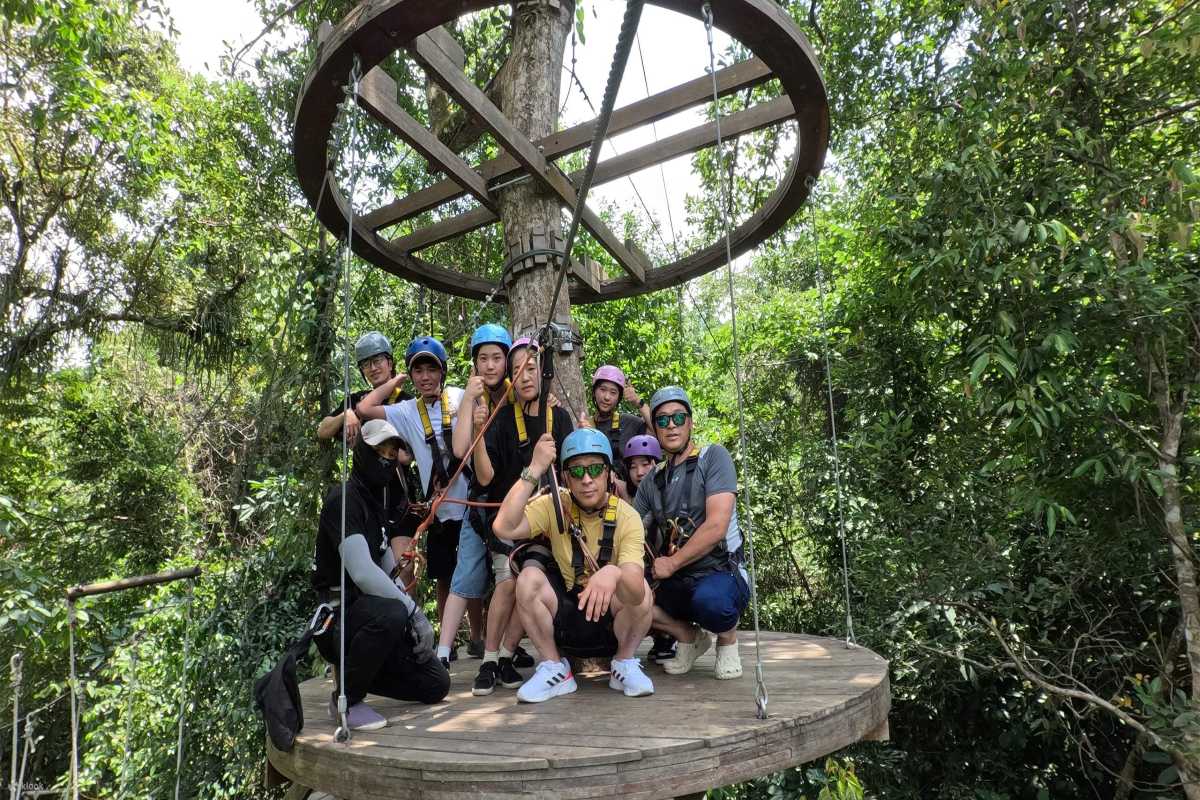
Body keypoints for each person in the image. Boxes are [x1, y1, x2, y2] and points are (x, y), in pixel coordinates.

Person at [494, 428, 655, 703]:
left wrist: (612, 572)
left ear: (608, 473)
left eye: (595, 469)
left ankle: (624, 663)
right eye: (577, 472)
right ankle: (555, 668)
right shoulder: (554, 506)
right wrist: (534, 468)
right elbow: (503, 527)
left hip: (610, 623)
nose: (587, 480)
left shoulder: (627, 517)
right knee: (528, 578)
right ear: (566, 477)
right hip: (567, 616)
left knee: (640, 587)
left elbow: (636, 594)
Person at [311, 418, 449, 731]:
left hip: (370, 618)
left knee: (435, 683)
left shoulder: (375, 504)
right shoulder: (343, 500)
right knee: (391, 611)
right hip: (341, 618)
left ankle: (363, 673)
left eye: (391, 455)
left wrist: (414, 622)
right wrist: (413, 612)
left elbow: (388, 568)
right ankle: (347, 696)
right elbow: (362, 573)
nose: (386, 461)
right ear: (361, 454)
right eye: (380, 453)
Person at [356, 336, 482, 660]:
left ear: (442, 372)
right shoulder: (406, 411)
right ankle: (448, 644)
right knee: (444, 574)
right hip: (439, 507)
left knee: (476, 571)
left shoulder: (459, 397)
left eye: (431, 369)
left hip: (473, 499)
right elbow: (365, 409)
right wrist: (395, 380)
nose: (425, 377)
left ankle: (480, 637)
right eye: (418, 371)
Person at [463, 336, 574, 696]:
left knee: (532, 579)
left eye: (530, 368)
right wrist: (479, 435)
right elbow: (484, 478)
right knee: (507, 580)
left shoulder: (557, 416)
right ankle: (490, 659)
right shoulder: (500, 421)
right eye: (516, 371)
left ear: (542, 372)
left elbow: (572, 468)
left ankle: (507, 655)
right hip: (507, 521)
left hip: (545, 524)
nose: (524, 376)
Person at [633, 386, 749, 680]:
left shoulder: (714, 458)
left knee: (712, 604)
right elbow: (631, 528)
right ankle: (687, 637)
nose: (671, 425)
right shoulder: (653, 479)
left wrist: (671, 563)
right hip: (677, 579)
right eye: (662, 420)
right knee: (629, 598)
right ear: (655, 429)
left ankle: (727, 640)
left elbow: (716, 525)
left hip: (721, 571)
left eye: (678, 417)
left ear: (690, 422)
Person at [316, 331, 419, 585]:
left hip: (400, 499)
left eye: (377, 361)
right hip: (364, 498)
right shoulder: (356, 401)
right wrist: (348, 414)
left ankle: (407, 621)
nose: (372, 368)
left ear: (390, 362)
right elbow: (323, 430)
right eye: (366, 364)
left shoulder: (408, 402)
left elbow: (410, 455)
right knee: (370, 568)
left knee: (402, 568)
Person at [623, 434, 675, 665]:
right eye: (633, 466)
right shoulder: (624, 492)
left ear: (657, 464)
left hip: (663, 562)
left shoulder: (664, 492)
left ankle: (668, 636)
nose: (639, 471)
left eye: (645, 464)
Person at [583, 366, 653, 500]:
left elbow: (657, 429)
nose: (607, 397)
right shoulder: (586, 425)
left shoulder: (629, 423)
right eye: (602, 390)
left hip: (628, 497)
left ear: (619, 397)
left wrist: (638, 402)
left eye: (613, 392)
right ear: (594, 392)